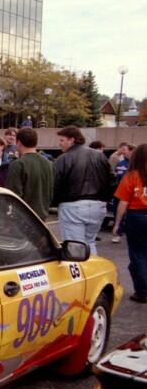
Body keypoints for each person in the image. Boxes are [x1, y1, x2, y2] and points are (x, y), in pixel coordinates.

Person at [53, 125, 115, 255]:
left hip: (73, 206)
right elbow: (112, 181)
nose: (60, 144)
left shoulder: (63, 159)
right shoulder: (100, 156)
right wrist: (106, 199)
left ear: (72, 140)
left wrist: (55, 202)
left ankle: (81, 272)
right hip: (98, 205)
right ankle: (93, 270)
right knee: (90, 243)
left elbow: (55, 184)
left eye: (62, 140)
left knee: (75, 247)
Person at [112, 144, 147, 303]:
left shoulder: (131, 176)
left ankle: (142, 291)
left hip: (137, 216)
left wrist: (117, 224)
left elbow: (123, 203)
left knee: (138, 255)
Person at [5, 128, 54, 220]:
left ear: (18, 142)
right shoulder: (49, 164)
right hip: (42, 215)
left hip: (23, 217)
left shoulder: (18, 164)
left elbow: (13, 195)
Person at [109, 143, 134, 243]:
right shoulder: (121, 163)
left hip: (134, 194)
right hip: (120, 193)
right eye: (122, 149)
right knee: (118, 213)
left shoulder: (138, 165)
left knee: (133, 215)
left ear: (132, 151)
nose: (122, 151)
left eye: (125, 149)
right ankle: (117, 233)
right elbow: (115, 177)